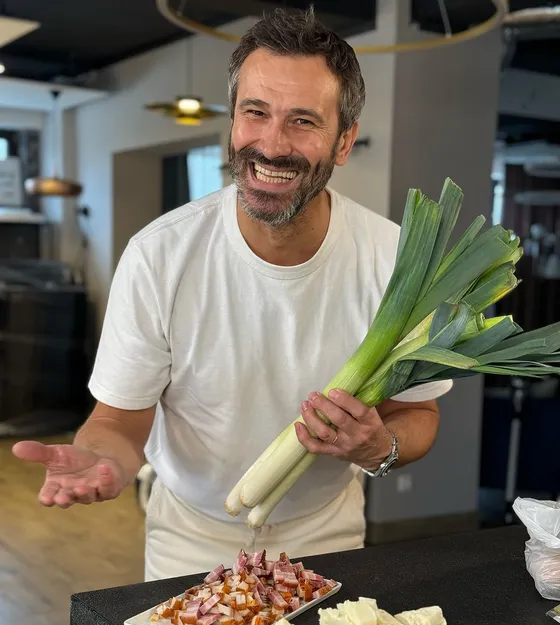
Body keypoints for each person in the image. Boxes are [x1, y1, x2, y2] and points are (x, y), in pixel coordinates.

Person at [12, 8, 451, 581]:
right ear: (234, 119)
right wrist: (103, 460)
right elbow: (118, 421)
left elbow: (417, 414)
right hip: (190, 537)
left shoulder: (396, 260)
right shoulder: (159, 255)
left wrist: (379, 447)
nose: (272, 144)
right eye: (255, 112)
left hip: (326, 531)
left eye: (302, 121)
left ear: (344, 141)